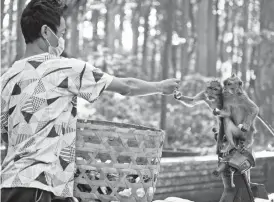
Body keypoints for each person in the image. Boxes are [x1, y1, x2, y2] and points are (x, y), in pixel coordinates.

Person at [0, 1, 180, 202]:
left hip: (11, 185)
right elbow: (126, 86)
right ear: (45, 31)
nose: (62, 39)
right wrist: (160, 87)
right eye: (61, 33)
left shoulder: (7, 78)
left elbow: (7, 137)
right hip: (41, 187)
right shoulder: (64, 69)